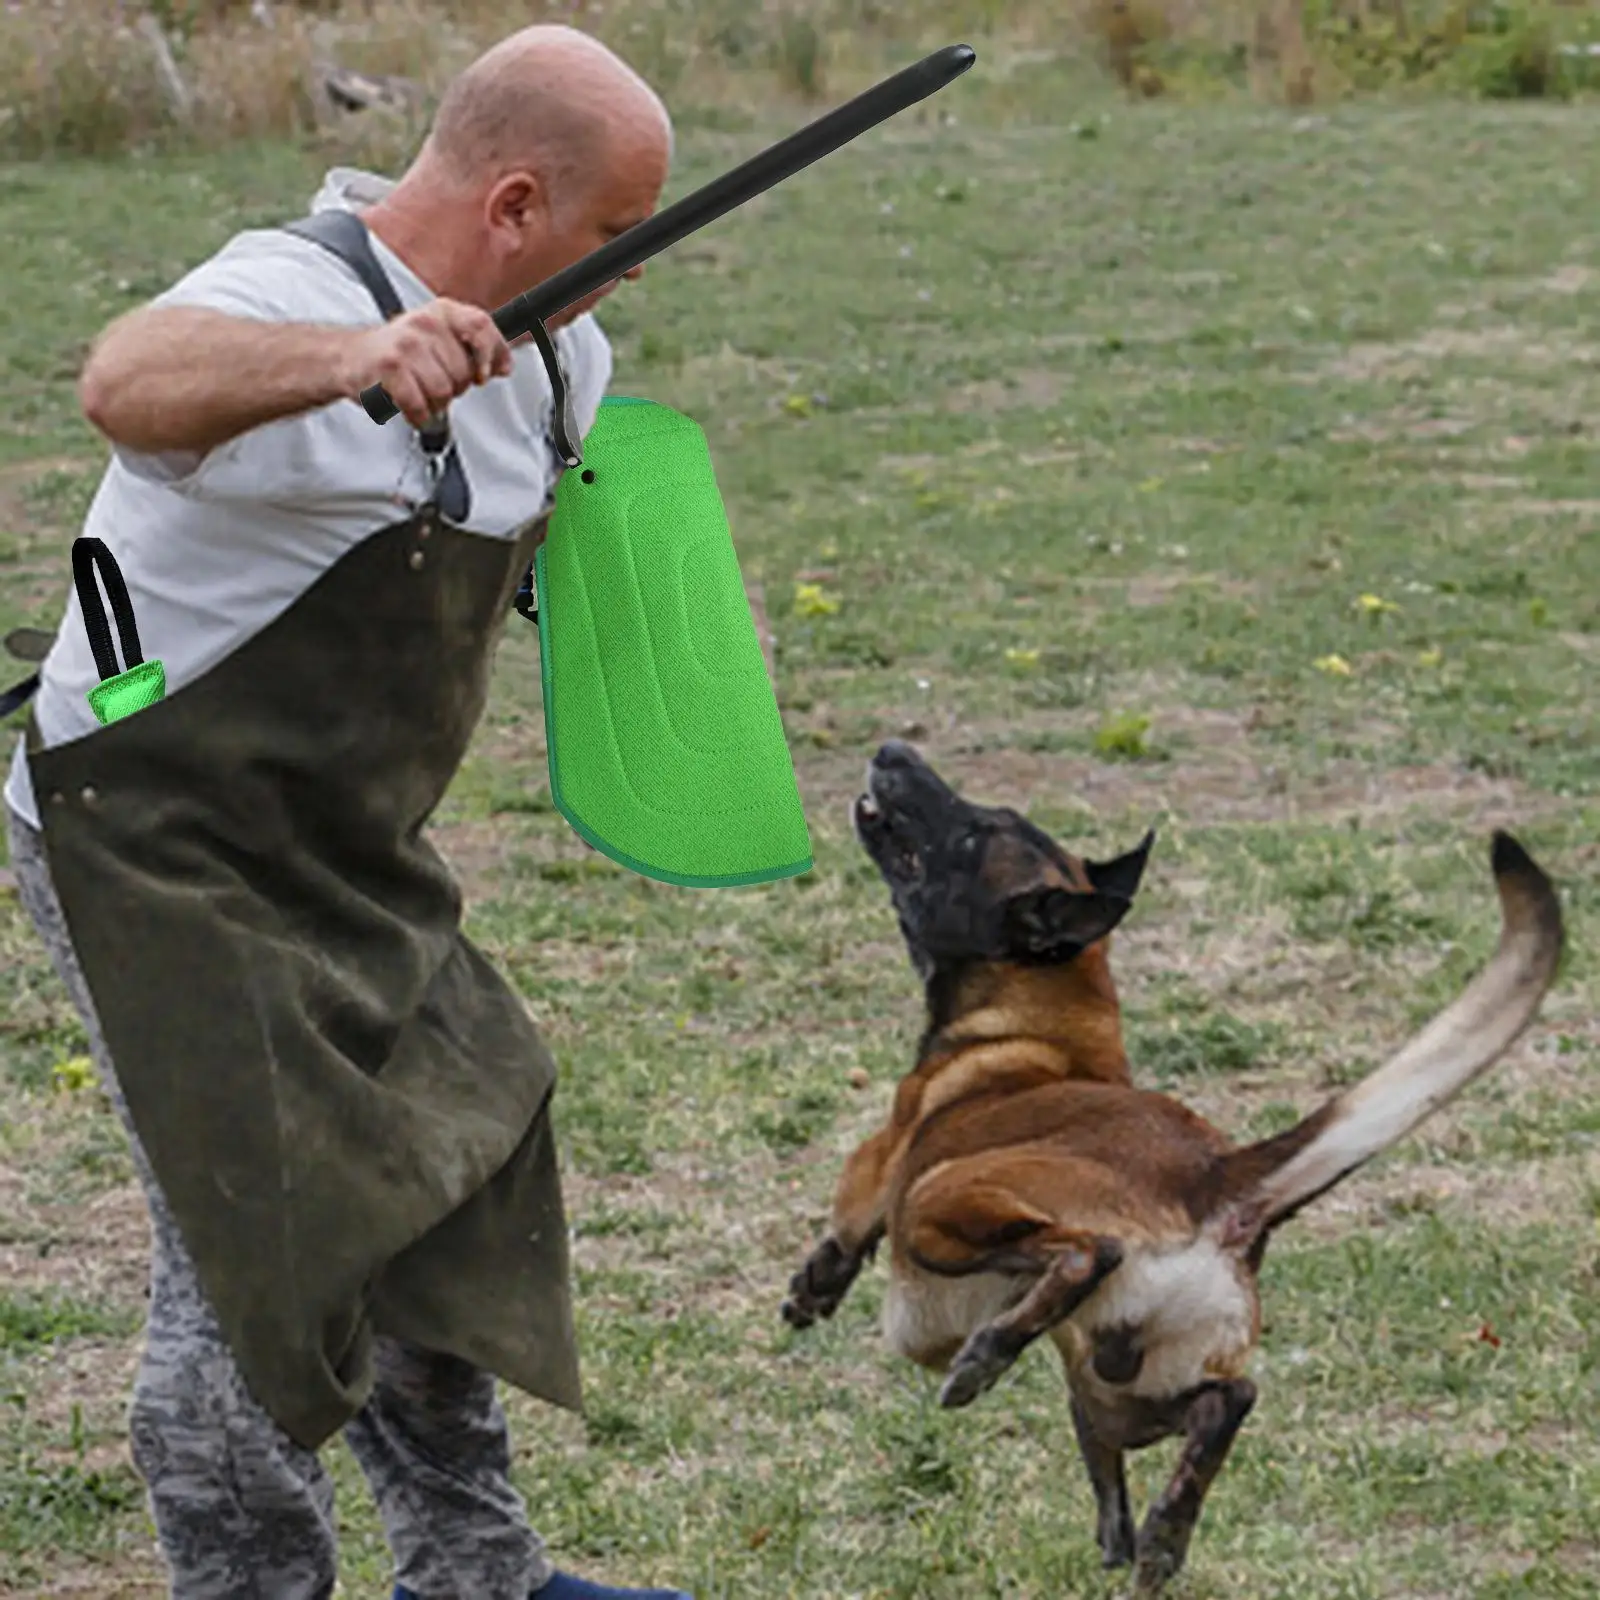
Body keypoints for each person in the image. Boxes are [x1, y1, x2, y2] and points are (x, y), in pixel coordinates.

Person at [4, 23, 696, 1600]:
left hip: (343, 846)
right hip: (147, 837)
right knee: (261, 1249)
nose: (631, 273)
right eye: (618, 237)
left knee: (455, 1158)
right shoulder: (285, 293)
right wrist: (356, 362)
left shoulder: (562, 356)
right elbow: (124, 381)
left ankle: (478, 1576)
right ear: (515, 204)